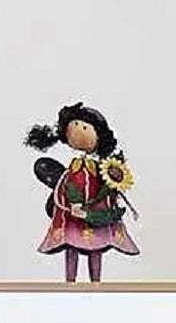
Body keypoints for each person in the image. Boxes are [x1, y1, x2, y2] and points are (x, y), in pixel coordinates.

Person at [25, 102, 138, 283]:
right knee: (72, 245)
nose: (78, 130)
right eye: (74, 126)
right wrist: (73, 201)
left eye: (84, 127)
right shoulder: (75, 167)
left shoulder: (102, 169)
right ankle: (70, 281)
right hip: (73, 216)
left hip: (96, 214)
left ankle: (96, 282)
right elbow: (69, 186)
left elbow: (106, 190)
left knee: (96, 247)